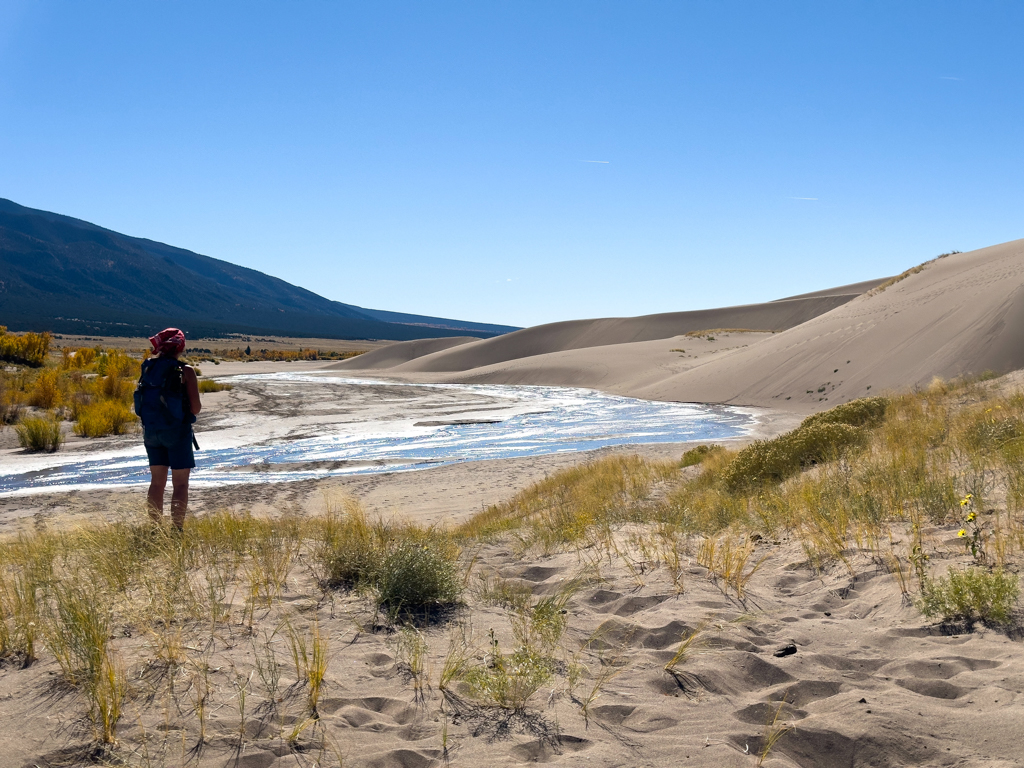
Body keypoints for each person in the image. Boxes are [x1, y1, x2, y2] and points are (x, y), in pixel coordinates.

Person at [139, 328, 201, 529]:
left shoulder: (148, 368)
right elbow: (196, 408)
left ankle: (155, 529)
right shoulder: (186, 371)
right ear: (180, 347)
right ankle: (176, 530)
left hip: (151, 432)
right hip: (177, 432)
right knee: (180, 484)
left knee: (157, 483)